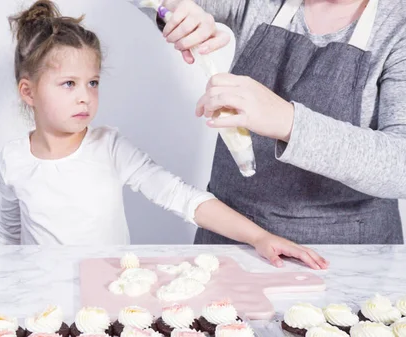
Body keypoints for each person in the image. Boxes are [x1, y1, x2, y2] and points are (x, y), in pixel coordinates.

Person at [0, 0, 328, 269]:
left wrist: (259, 237)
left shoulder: (107, 147)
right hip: (39, 298)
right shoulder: (12, 159)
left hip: (105, 292)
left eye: (92, 83)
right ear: (28, 92)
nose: (85, 96)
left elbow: (181, 196)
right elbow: (9, 240)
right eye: (69, 83)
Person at [132, 0, 406, 244]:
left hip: (344, 252)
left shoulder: (397, 25)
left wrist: (287, 121)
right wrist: (173, 10)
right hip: (231, 237)